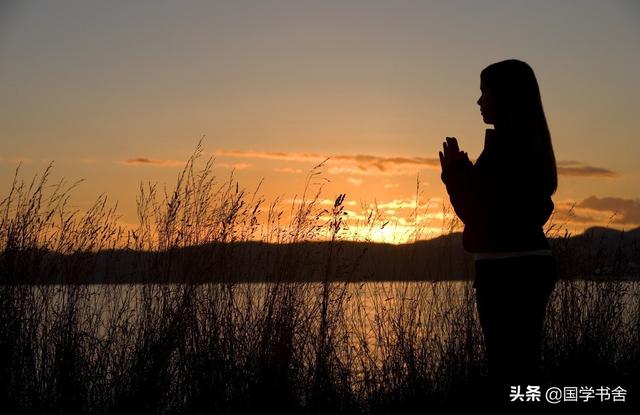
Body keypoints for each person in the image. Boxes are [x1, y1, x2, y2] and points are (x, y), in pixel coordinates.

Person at [439, 59, 559, 406]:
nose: (479, 102)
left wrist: (456, 175)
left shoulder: (504, 149)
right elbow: (523, 207)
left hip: (506, 270)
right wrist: (466, 174)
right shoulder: (528, 145)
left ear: (503, 97)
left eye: (484, 93)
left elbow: (479, 215)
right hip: (530, 264)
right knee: (523, 370)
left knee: (509, 375)